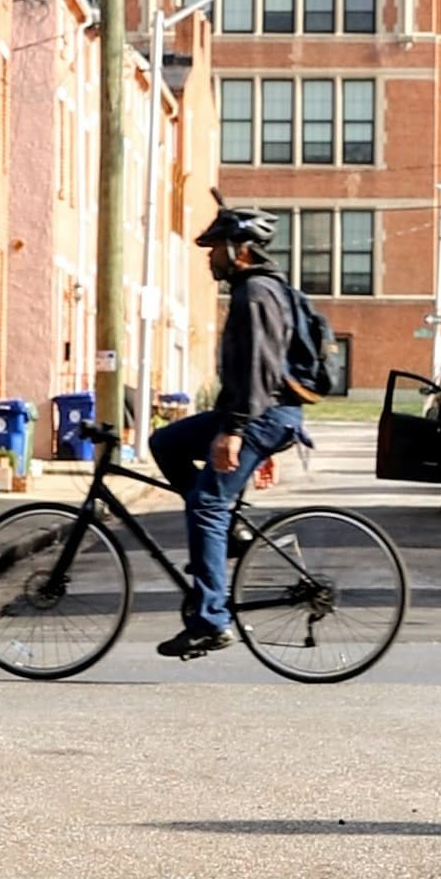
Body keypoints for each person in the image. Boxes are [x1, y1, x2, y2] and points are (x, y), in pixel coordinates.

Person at [147, 206, 311, 660]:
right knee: (165, 443)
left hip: (259, 416)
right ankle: (231, 534)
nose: (210, 257)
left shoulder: (255, 294)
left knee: (206, 505)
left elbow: (258, 370)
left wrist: (235, 432)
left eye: (216, 248)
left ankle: (211, 621)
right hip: (261, 413)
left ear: (240, 250)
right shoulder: (252, 290)